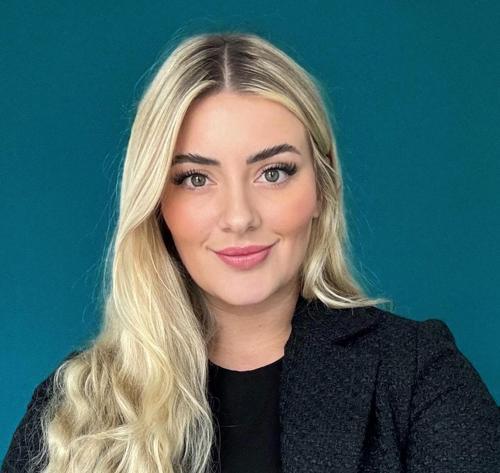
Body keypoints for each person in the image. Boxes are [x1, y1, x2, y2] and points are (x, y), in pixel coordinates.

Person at [2, 31, 499, 473]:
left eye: (273, 172)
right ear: (156, 204)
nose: (239, 217)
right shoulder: (75, 406)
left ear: (322, 187)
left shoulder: (415, 374)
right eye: (196, 178)